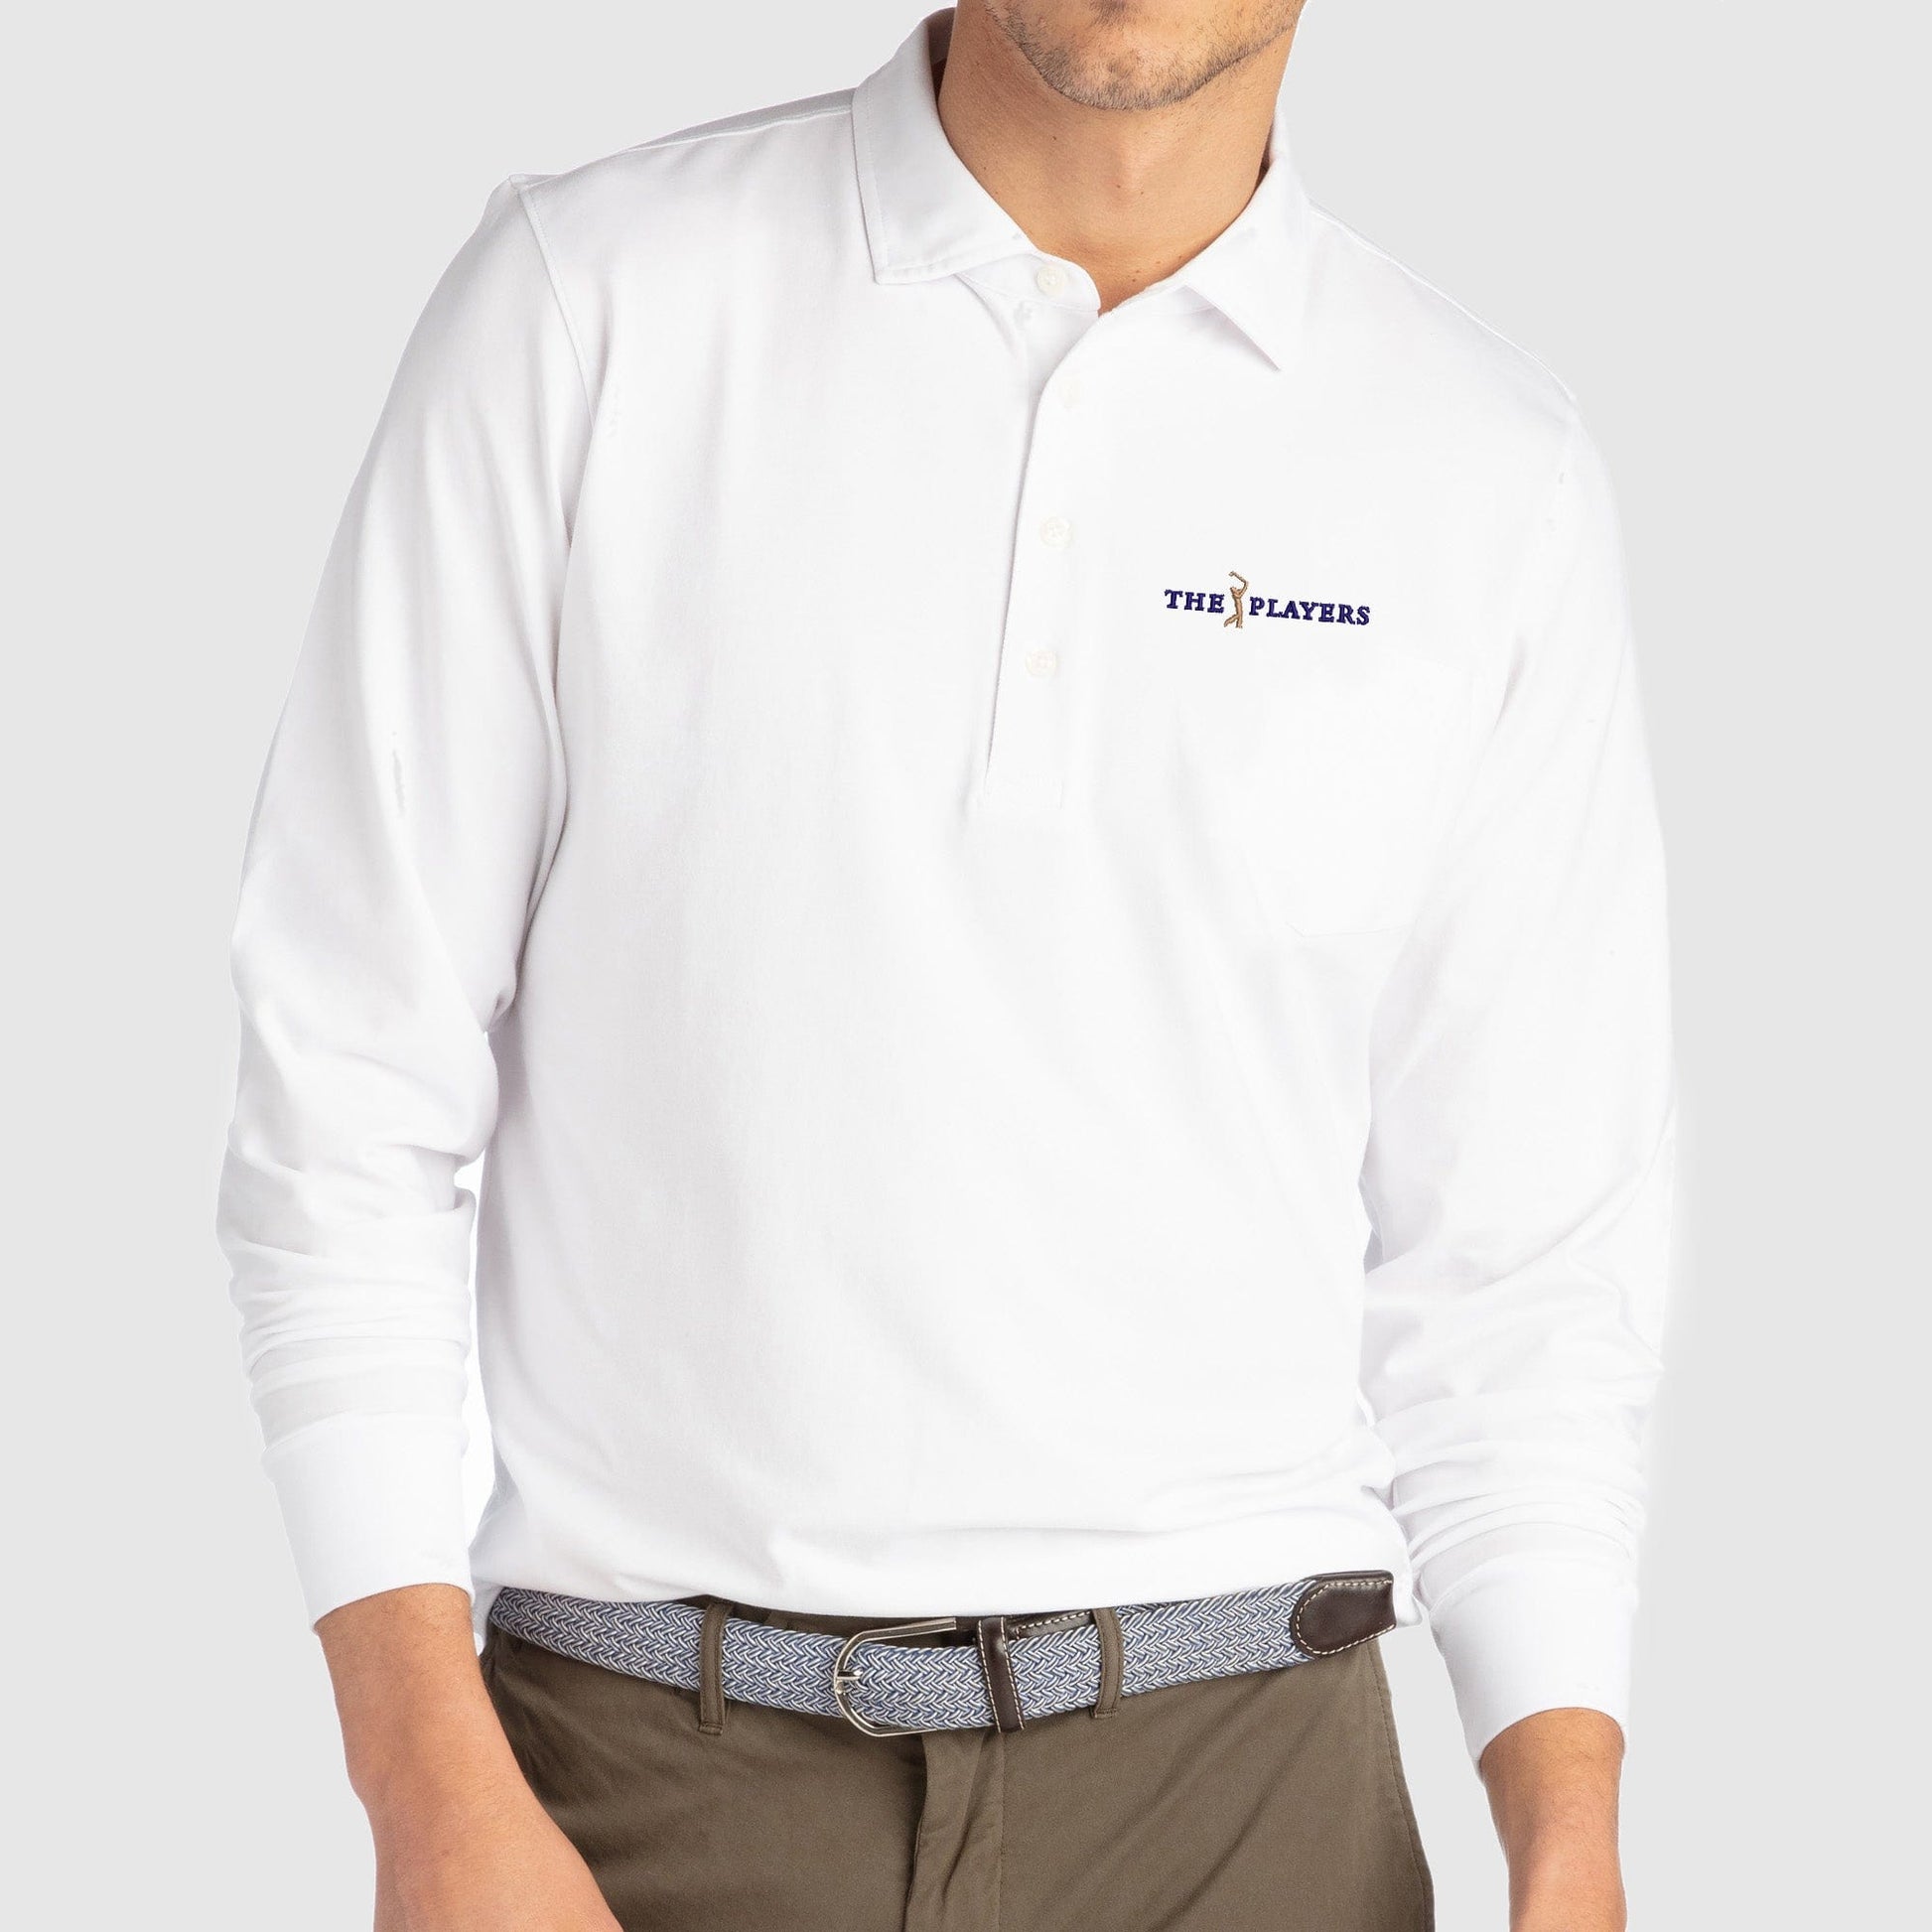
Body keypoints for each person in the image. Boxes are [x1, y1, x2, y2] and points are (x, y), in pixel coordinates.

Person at [218, 6, 1673, 1928]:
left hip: (1251, 1807)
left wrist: (1565, 1829)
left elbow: (1521, 1262)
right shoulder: (590, 307)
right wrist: (424, 1787)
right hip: (651, 1782)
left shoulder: (1486, 470)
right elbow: (345, 1080)